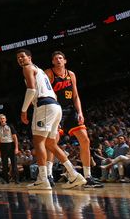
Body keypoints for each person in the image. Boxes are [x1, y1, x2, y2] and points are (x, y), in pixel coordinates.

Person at [17, 49, 86, 190]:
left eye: (23, 56)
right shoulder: (41, 70)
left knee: (38, 142)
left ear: (29, 58)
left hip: (44, 106)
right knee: (51, 143)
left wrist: (23, 110)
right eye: (18, 58)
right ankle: (74, 175)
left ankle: (43, 179)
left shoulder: (28, 68)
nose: (20, 59)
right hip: (55, 107)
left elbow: (31, 90)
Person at [45, 51, 103, 188]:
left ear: (65, 61)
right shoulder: (49, 73)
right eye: (55, 58)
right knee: (53, 142)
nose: (58, 60)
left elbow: (75, 96)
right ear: (52, 62)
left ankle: (88, 176)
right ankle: (48, 174)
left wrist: (80, 112)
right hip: (55, 109)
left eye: (60, 58)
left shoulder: (71, 74)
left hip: (70, 110)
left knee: (85, 139)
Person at [0, 114, 19, 184]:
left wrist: (16, 148)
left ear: (5, 119)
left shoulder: (10, 126)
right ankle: (6, 180)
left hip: (11, 145)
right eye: (1, 118)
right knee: (4, 164)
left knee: (14, 164)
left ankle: (16, 180)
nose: (2, 120)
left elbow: (15, 138)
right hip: (3, 146)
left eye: (3, 118)